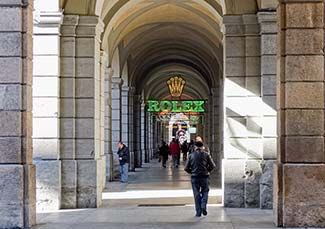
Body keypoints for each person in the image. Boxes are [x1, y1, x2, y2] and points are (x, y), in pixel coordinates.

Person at [184, 141, 216, 217]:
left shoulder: (191, 155)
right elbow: (213, 166)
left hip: (194, 177)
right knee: (205, 191)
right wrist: (207, 171)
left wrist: (192, 172)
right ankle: (203, 205)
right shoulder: (206, 154)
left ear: (195, 147)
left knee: (196, 194)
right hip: (205, 176)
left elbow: (186, 168)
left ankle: (198, 212)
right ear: (202, 147)